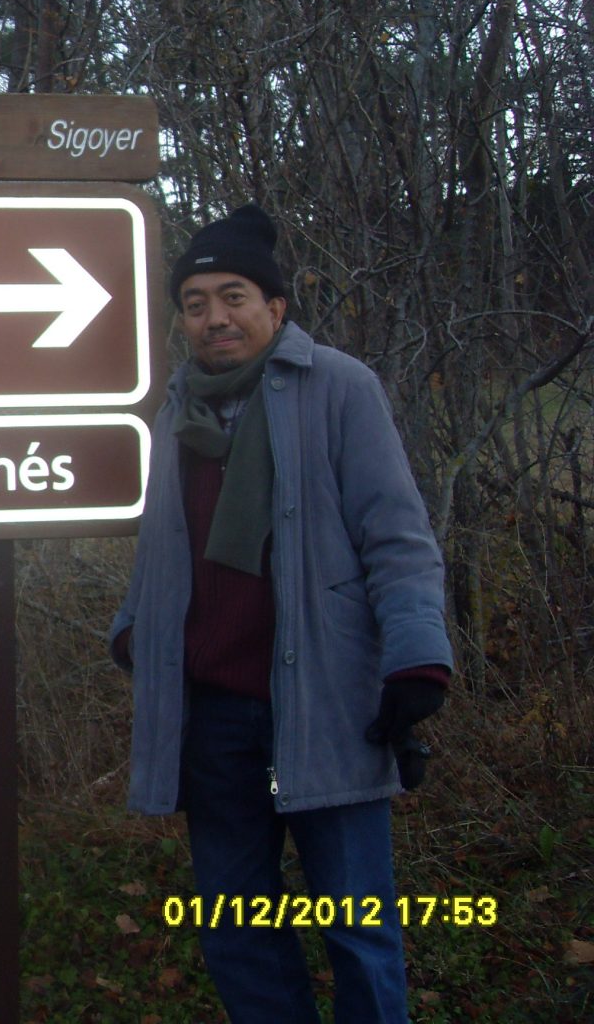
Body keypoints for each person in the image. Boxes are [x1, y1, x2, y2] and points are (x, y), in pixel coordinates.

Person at [107, 203, 452, 1024]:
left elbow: (396, 537)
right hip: (213, 716)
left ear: (276, 306)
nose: (215, 318)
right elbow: (166, 548)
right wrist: (134, 629)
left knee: (357, 927)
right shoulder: (177, 409)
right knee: (238, 930)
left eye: (234, 297)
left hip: (325, 703)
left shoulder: (338, 389)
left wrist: (416, 658)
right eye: (195, 304)